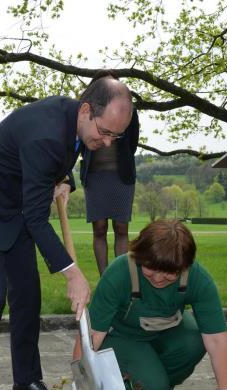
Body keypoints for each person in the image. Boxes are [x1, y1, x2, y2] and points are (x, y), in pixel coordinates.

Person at [0, 77, 134, 390]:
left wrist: (64, 180)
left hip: (13, 202)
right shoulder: (47, 132)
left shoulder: (73, 121)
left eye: (115, 137)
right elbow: (36, 217)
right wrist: (72, 273)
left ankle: (26, 382)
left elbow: (60, 157)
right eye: (104, 132)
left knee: (27, 294)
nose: (106, 143)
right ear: (87, 110)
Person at [57, 219, 227, 390]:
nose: (158, 278)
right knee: (154, 387)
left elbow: (218, 340)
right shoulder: (119, 273)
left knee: (195, 340)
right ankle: (132, 387)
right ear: (139, 256)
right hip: (122, 338)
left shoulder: (198, 278)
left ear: (185, 266)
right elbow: (91, 335)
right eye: (150, 269)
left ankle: (151, 383)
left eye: (169, 273)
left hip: (165, 333)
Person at [79, 72, 140, 276]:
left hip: (121, 177)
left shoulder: (127, 110)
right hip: (95, 177)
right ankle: (105, 278)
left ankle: (121, 277)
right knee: (99, 228)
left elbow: (132, 143)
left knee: (122, 228)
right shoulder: (85, 111)